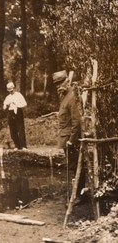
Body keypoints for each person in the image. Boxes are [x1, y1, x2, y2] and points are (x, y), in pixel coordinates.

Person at [52, 70, 86, 205]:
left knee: (76, 166)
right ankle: (78, 193)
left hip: (71, 139)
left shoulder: (72, 96)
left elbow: (76, 122)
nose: (58, 86)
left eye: (60, 82)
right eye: (56, 84)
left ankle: (78, 196)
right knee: (73, 165)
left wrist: (72, 140)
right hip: (66, 138)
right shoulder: (65, 95)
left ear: (67, 81)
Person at [3, 82, 27, 150]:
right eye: (9, 90)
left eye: (11, 90)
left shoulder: (19, 95)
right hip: (11, 113)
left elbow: (25, 104)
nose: (10, 91)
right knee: (13, 130)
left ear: (14, 88)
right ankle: (17, 145)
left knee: (20, 129)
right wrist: (6, 106)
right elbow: (4, 106)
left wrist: (18, 105)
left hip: (18, 112)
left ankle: (23, 146)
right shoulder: (8, 97)